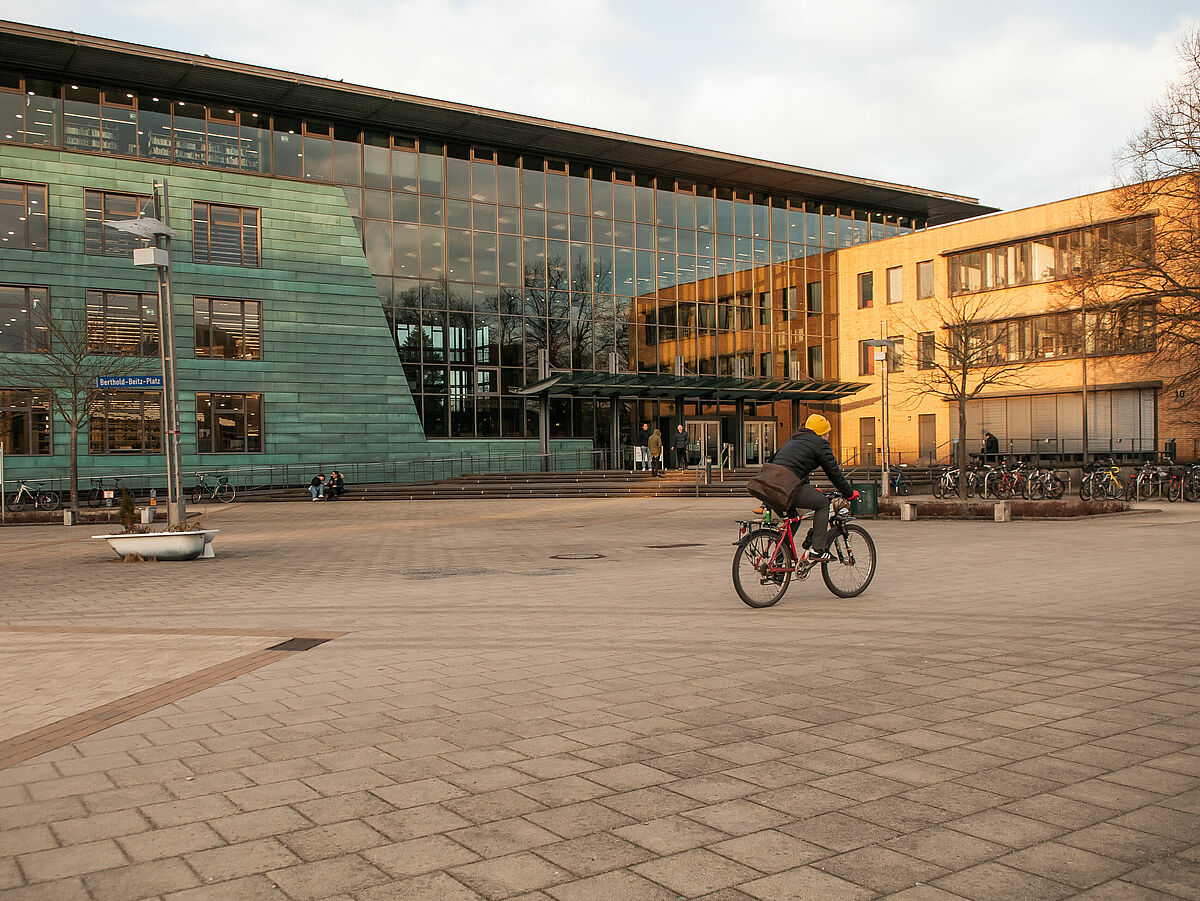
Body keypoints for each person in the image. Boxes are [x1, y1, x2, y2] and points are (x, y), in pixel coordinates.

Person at [771, 414, 858, 562]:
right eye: (828, 432)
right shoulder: (820, 444)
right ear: (821, 433)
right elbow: (834, 473)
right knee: (823, 503)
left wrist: (808, 490)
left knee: (793, 520)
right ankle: (818, 549)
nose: (829, 436)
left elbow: (794, 468)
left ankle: (779, 565)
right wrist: (849, 493)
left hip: (768, 486)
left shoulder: (792, 441)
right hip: (787, 488)